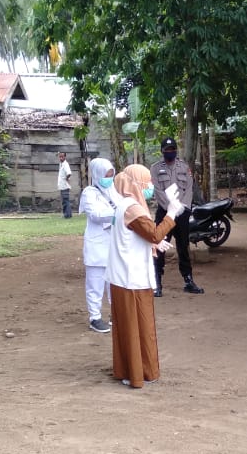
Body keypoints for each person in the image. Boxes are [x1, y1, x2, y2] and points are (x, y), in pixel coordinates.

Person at [106, 164, 185, 388]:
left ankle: (128, 370)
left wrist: (154, 244)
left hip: (121, 277)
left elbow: (136, 236)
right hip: (132, 279)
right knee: (139, 327)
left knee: (127, 327)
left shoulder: (124, 206)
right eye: (147, 181)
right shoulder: (133, 209)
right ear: (136, 183)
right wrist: (171, 213)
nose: (150, 186)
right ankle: (139, 373)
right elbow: (154, 233)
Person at [150, 137, 204, 296]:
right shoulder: (155, 168)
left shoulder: (184, 167)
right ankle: (157, 283)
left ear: (176, 150)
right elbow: (158, 191)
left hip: (182, 213)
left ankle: (188, 281)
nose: (170, 152)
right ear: (162, 151)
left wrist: (183, 208)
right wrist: (171, 209)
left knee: (183, 246)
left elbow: (189, 189)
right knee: (159, 246)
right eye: (167, 150)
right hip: (164, 213)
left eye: (172, 149)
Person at [79, 157, 116, 333]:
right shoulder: (89, 193)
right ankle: (95, 317)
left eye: (111, 175)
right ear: (97, 174)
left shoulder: (113, 191)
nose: (109, 178)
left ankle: (115, 314)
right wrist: (116, 213)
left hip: (113, 244)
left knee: (114, 283)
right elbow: (95, 214)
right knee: (95, 284)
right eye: (106, 175)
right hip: (96, 244)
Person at [57, 151, 73, 219]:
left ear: (65, 157)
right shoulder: (61, 164)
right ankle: (68, 214)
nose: (61, 158)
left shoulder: (65, 164)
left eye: (62, 157)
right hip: (62, 185)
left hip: (65, 185)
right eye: (60, 157)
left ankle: (67, 215)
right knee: (65, 201)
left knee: (65, 201)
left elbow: (69, 173)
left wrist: (66, 179)